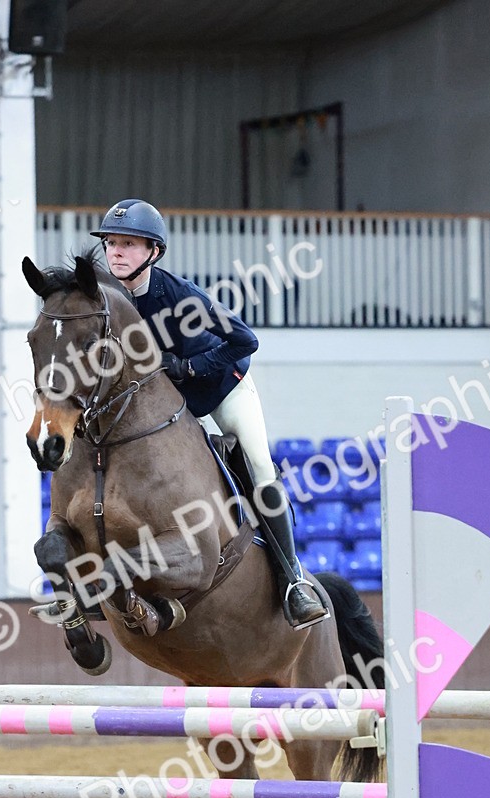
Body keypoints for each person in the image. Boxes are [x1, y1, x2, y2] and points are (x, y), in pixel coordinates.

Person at [91, 198, 327, 630]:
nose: (116, 253)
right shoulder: (106, 299)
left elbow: (245, 340)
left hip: (221, 388)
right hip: (170, 406)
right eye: (111, 244)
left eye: (128, 244)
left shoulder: (180, 295)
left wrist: (190, 367)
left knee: (258, 465)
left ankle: (293, 580)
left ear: (153, 253)